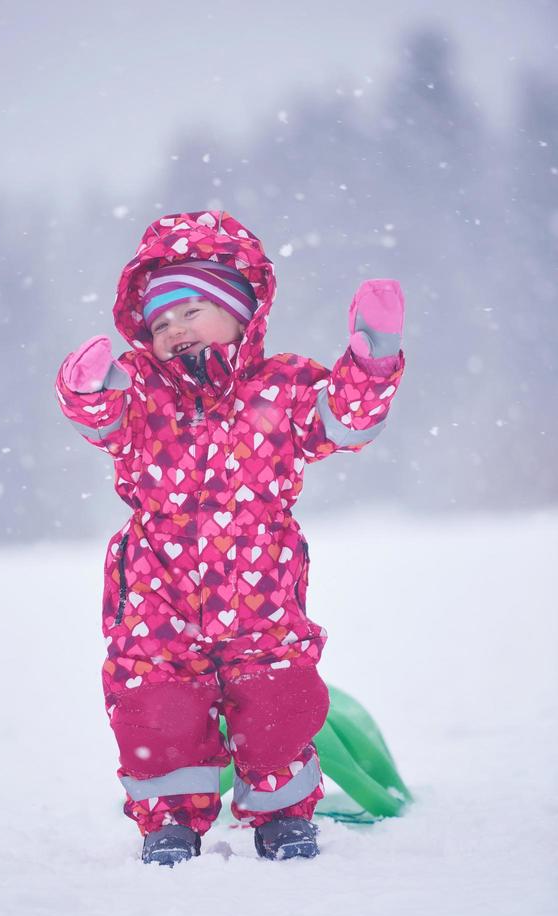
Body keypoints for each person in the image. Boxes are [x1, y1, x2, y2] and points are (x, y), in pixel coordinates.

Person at [55, 209, 405, 865]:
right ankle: (169, 825)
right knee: (154, 708)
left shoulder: (284, 386)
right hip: (160, 598)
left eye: (191, 310)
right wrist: (85, 389)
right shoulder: (145, 395)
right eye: (160, 322)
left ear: (241, 308)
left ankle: (282, 817)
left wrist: (371, 359)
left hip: (262, 595)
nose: (175, 329)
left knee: (279, 704)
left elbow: (347, 422)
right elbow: (103, 421)